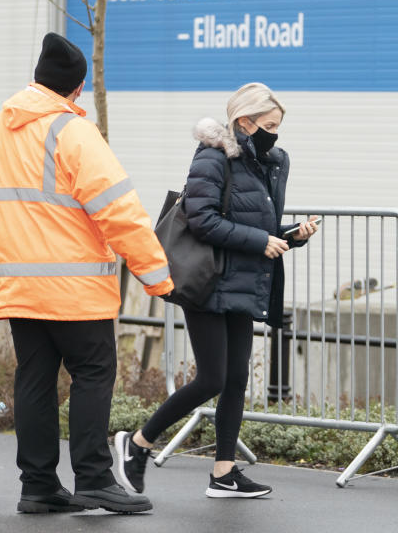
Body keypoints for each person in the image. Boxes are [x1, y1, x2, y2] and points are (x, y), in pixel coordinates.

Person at [0, 32, 174, 514]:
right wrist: (157, 276)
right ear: (77, 89)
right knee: (93, 375)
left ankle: (37, 485)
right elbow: (119, 210)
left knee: (35, 381)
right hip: (76, 289)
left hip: (21, 288)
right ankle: (95, 478)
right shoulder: (74, 131)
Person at [113, 82, 319, 499]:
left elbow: (255, 228)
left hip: (243, 282)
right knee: (211, 378)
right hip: (206, 281)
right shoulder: (213, 156)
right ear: (244, 122)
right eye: (269, 125)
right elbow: (203, 220)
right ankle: (135, 444)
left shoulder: (271, 163)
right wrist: (260, 241)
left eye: (278, 127)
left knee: (236, 378)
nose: (275, 134)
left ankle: (223, 473)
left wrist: (289, 235)